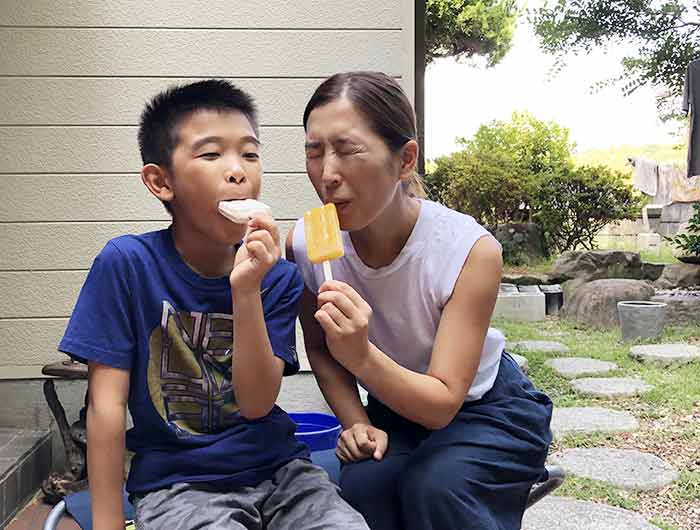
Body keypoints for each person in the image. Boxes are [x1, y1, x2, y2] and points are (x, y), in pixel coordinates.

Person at [58, 80, 369, 530]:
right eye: (210, 155)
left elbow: (258, 404)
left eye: (249, 154)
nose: (237, 170)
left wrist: (245, 291)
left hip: (281, 472)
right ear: (161, 181)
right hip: (178, 484)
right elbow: (106, 409)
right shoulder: (127, 265)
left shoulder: (278, 276)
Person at [287, 71, 553, 530]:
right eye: (315, 152)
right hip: (397, 406)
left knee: (437, 488)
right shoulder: (308, 244)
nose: (327, 174)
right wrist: (355, 421)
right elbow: (319, 348)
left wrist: (362, 355)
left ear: (405, 159)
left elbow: (443, 402)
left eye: (348, 150)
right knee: (367, 484)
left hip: (487, 406)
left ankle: (499, 486)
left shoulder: (468, 249)